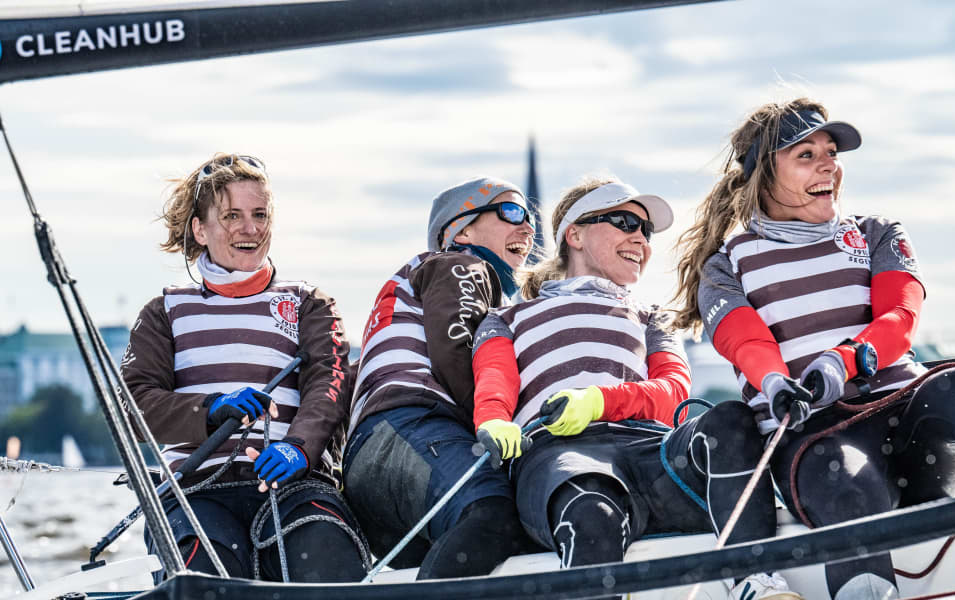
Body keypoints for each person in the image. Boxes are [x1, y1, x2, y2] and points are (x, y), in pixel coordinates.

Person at [672, 98, 955, 600]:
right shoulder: (726, 265)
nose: (829, 165)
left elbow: (898, 318)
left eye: (831, 152)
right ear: (763, 176)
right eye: (806, 155)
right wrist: (775, 383)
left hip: (910, 425)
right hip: (822, 441)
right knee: (844, 480)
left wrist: (847, 359)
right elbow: (744, 340)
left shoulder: (877, 232)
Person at [470, 177, 800, 600]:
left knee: (730, 420)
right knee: (592, 511)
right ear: (574, 234)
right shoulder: (507, 317)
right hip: (559, 454)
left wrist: (598, 401)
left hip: (652, 454)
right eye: (625, 222)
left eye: (645, 231)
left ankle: (757, 582)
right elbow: (494, 381)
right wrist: (494, 422)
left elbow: (674, 391)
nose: (640, 239)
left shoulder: (650, 316)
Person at [122, 153, 369, 582]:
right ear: (200, 229)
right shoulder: (163, 311)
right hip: (195, 490)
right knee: (205, 576)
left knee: (327, 555)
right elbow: (133, 406)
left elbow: (329, 383)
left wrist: (299, 446)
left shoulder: (309, 303)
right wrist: (213, 408)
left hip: (295, 485)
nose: (250, 229)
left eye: (259, 214)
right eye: (232, 215)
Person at [342, 176, 539, 579]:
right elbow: (456, 353)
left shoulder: (414, 280)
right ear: (461, 230)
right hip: (414, 428)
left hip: (371, 452)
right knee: (492, 511)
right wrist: (501, 428)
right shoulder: (462, 265)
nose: (528, 227)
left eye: (530, 217)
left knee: (430, 563)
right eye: (511, 212)